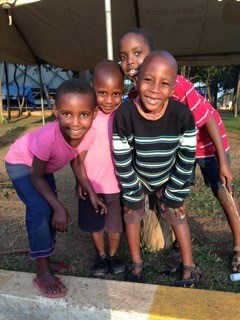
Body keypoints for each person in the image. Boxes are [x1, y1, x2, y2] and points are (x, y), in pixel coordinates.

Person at [118, 27, 240, 274]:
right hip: (180, 149)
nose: (130, 60)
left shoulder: (178, 85)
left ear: (153, 54)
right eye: (123, 56)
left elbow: (208, 120)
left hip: (207, 145)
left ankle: (238, 245)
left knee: (222, 191)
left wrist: (223, 162)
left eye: (138, 53)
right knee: (178, 193)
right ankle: (179, 246)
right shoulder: (136, 94)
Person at [4, 79, 102, 298]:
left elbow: (77, 163)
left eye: (83, 114)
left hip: (41, 169)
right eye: (67, 113)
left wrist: (92, 193)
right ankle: (42, 272)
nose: (75, 123)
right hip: (22, 164)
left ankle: (46, 261)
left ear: (94, 113)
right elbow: (36, 176)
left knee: (49, 208)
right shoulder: (48, 138)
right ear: (56, 111)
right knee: (40, 210)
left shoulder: (91, 134)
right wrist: (59, 207)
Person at [112, 50, 202, 287]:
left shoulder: (182, 116)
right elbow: (121, 158)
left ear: (173, 89)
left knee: (178, 215)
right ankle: (136, 265)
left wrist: (173, 193)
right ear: (137, 79)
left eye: (164, 84)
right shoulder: (124, 114)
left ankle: (189, 267)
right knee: (131, 215)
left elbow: (186, 158)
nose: (154, 89)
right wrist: (132, 192)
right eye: (148, 80)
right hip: (138, 177)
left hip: (168, 177)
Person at [71, 60, 125, 277]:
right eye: (102, 93)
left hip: (117, 185)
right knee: (96, 226)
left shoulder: (125, 113)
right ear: (93, 87)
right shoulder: (88, 117)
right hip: (91, 183)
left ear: (123, 92)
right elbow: (76, 156)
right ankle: (101, 256)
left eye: (115, 94)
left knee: (114, 226)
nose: (109, 100)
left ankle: (113, 255)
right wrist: (79, 182)